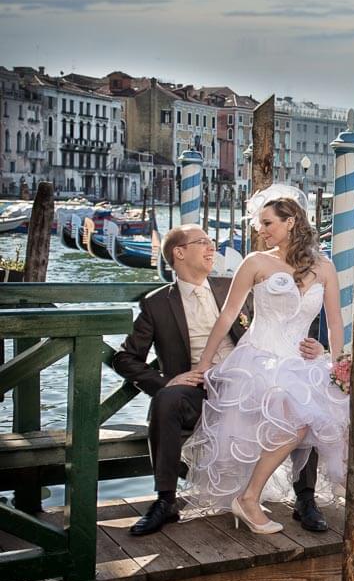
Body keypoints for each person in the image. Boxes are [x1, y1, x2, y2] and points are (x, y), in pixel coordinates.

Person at [180, 185, 354, 534]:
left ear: (291, 222)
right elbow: (227, 315)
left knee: (343, 403)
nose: (260, 231)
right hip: (259, 361)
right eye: (259, 224)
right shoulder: (255, 263)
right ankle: (249, 498)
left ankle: (342, 483)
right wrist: (204, 364)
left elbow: (335, 320)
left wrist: (334, 359)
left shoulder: (324, 267)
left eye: (267, 223)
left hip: (302, 362)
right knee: (298, 415)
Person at [112, 222, 328, 536]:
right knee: (166, 400)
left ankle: (305, 498)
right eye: (203, 242)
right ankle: (165, 501)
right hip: (199, 390)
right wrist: (165, 381)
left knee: (301, 394)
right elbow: (124, 357)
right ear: (180, 252)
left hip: (253, 381)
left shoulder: (232, 286)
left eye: (212, 241)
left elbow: (286, 318)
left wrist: (318, 348)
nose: (212, 247)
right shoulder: (157, 304)